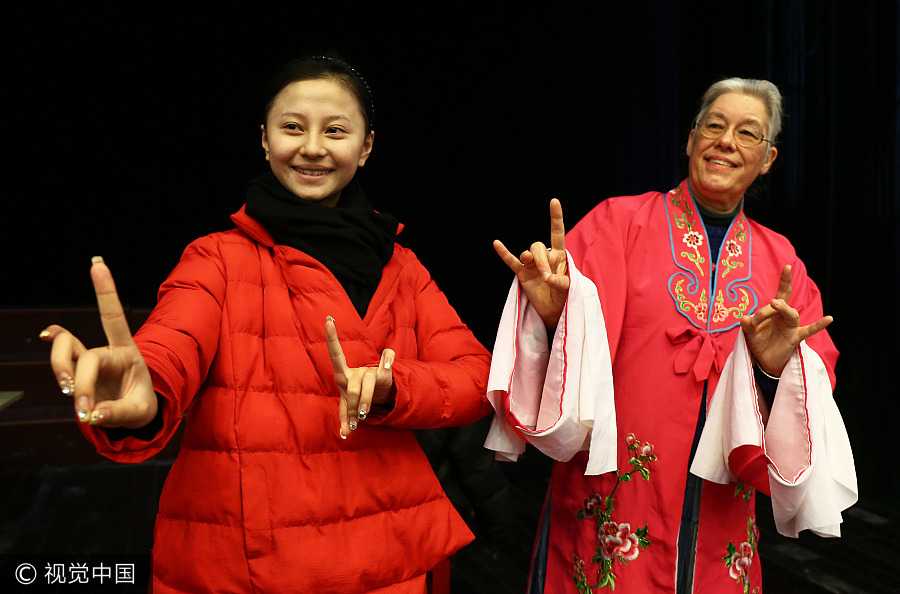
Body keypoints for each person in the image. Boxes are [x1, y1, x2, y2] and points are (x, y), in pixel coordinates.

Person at [40, 54, 492, 593]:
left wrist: (398, 387)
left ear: (366, 147)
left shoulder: (403, 266)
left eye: (336, 130)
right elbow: (170, 343)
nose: (312, 147)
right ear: (264, 138)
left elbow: (476, 377)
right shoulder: (216, 259)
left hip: (390, 561)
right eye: (293, 127)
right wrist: (147, 393)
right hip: (248, 566)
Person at [485, 78, 857, 593]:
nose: (726, 141)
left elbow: (811, 389)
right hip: (612, 495)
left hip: (721, 510)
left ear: (768, 159)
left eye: (748, 133)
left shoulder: (781, 262)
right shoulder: (617, 222)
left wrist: (773, 369)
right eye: (715, 125)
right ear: (690, 140)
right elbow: (566, 358)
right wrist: (552, 317)